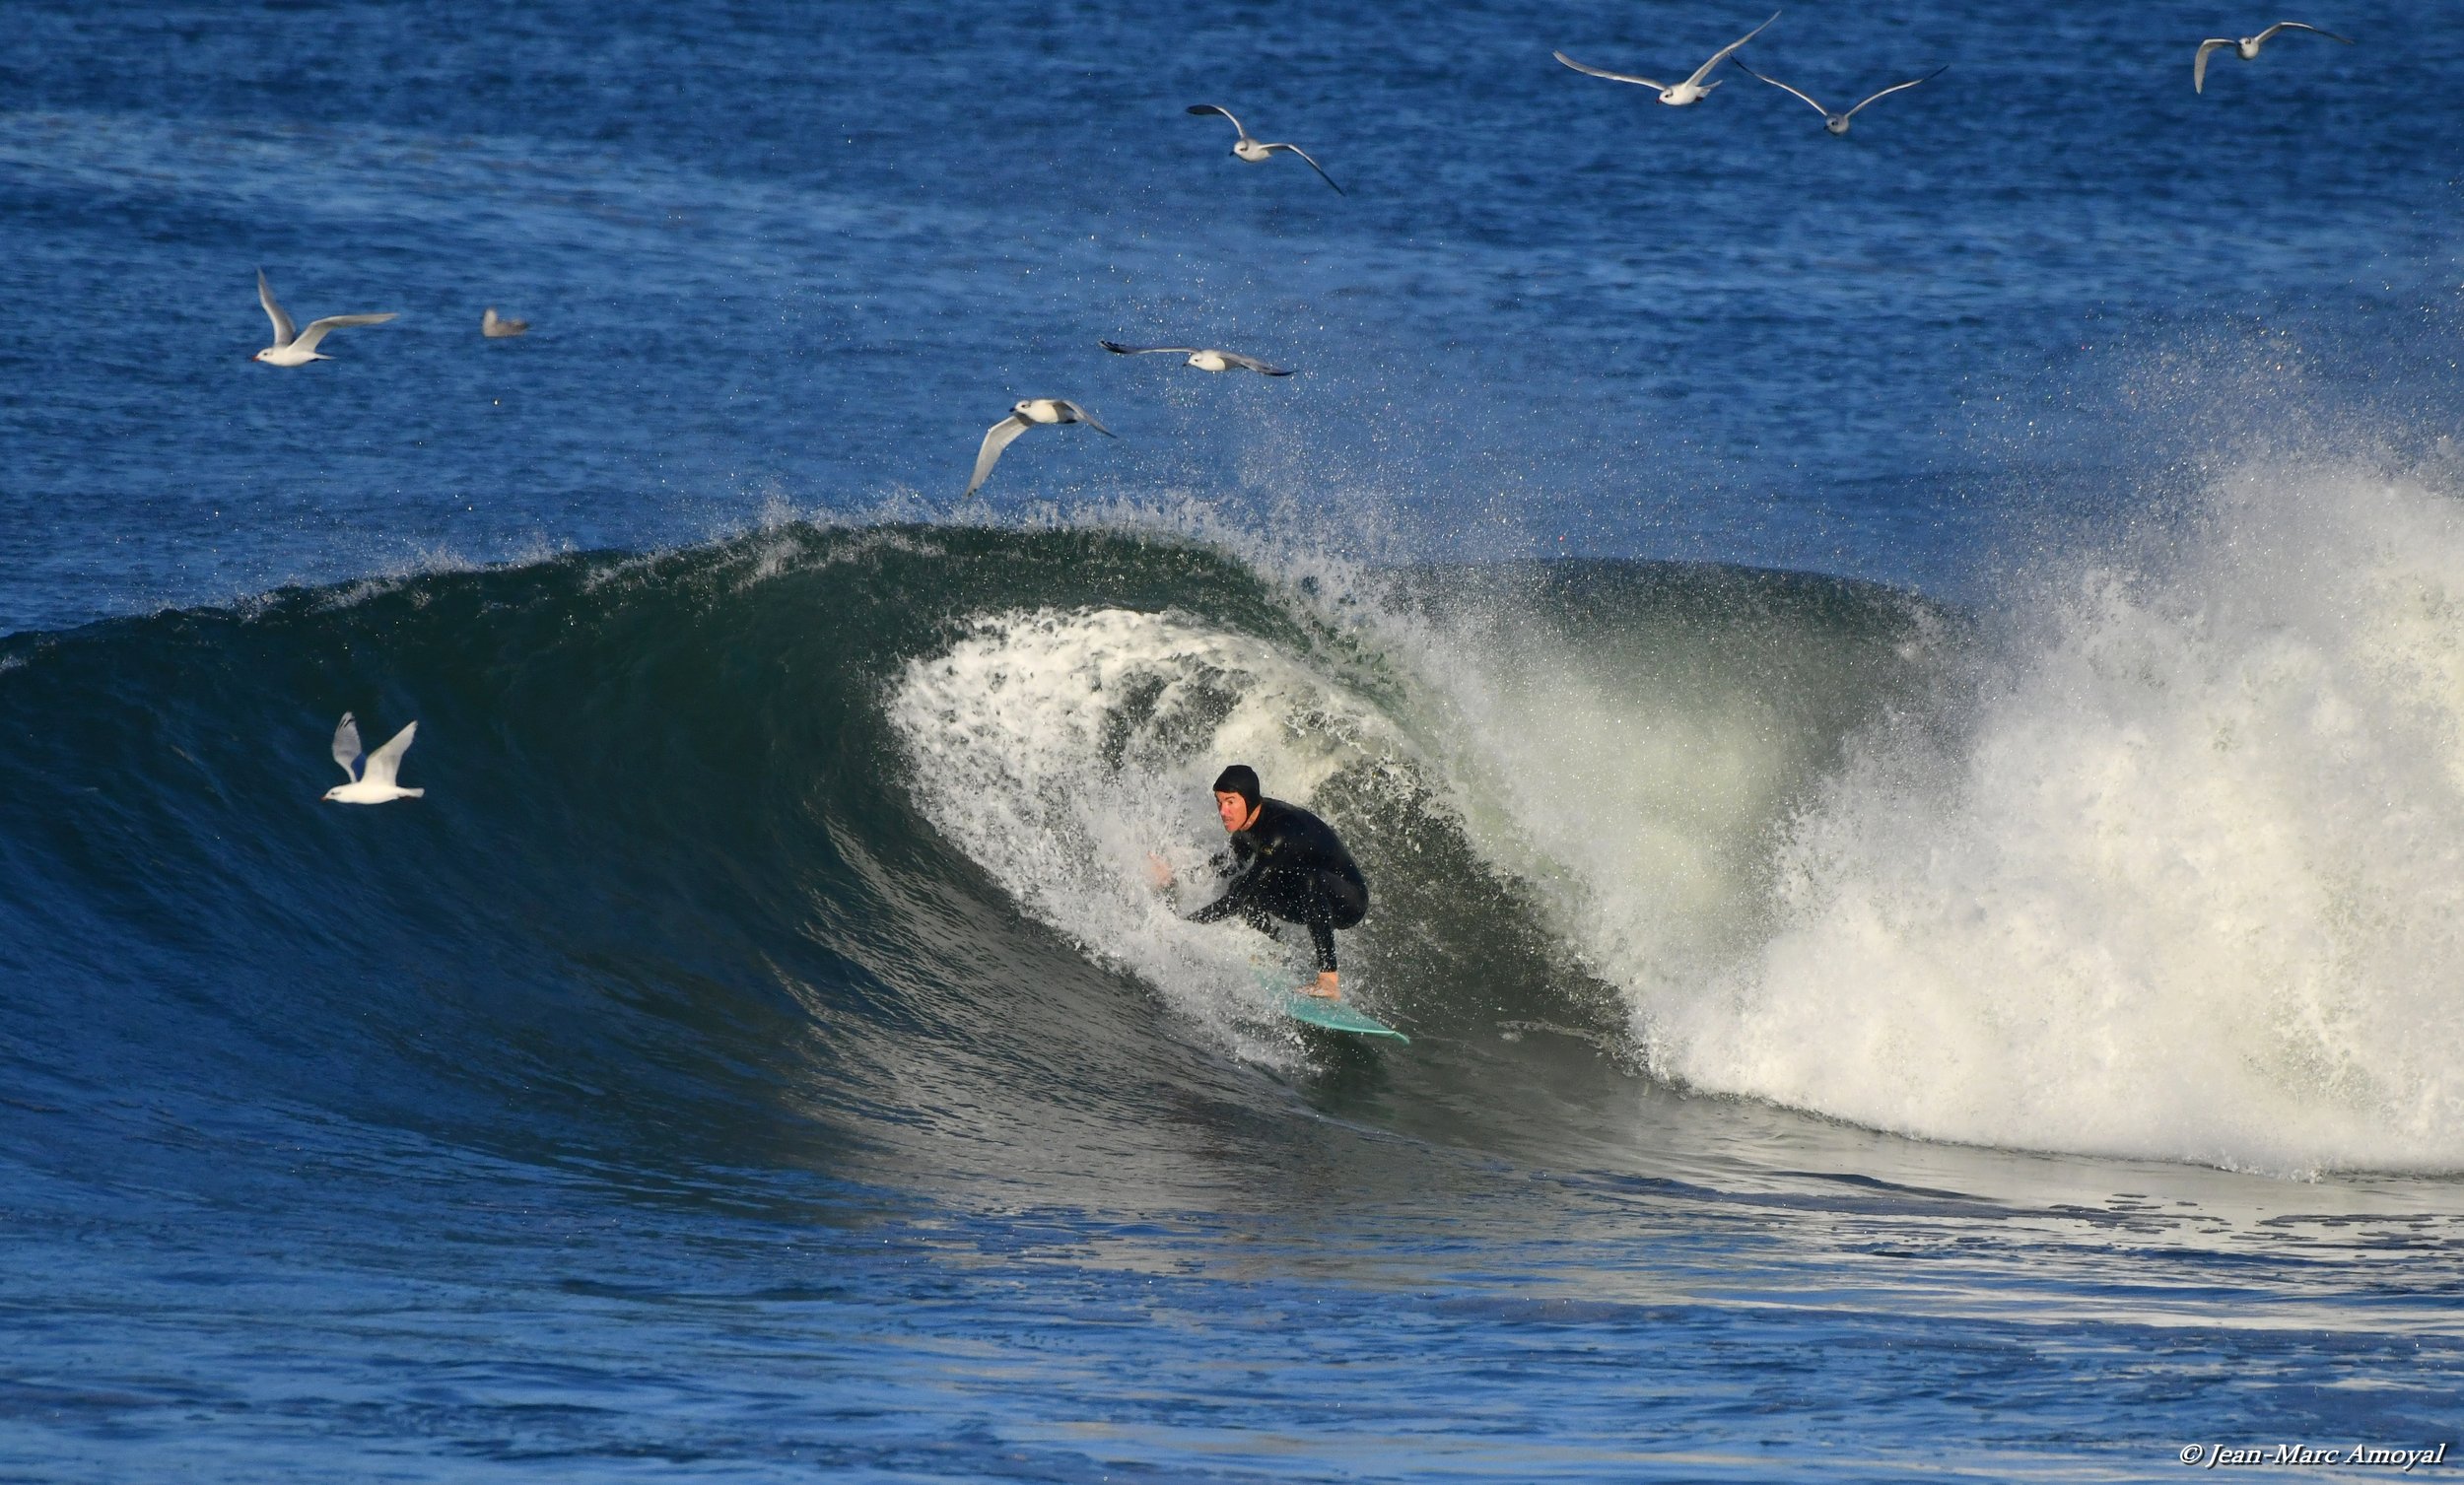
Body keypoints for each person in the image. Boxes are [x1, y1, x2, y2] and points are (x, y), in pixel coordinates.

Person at [1160, 764, 1368, 999]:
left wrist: (1183, 925)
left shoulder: (1278, 832)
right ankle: (1273, 952)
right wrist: (1177, 876)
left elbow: (1236, 902)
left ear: (1248, 801)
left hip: (1347, 901)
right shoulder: (1245, 825)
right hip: (1305, 896)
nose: (1223, 811)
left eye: (1230, 802)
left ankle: (1329, 980)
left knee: (1297, 881)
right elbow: (1232, 865)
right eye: (1219, 802)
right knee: (1240, 884)